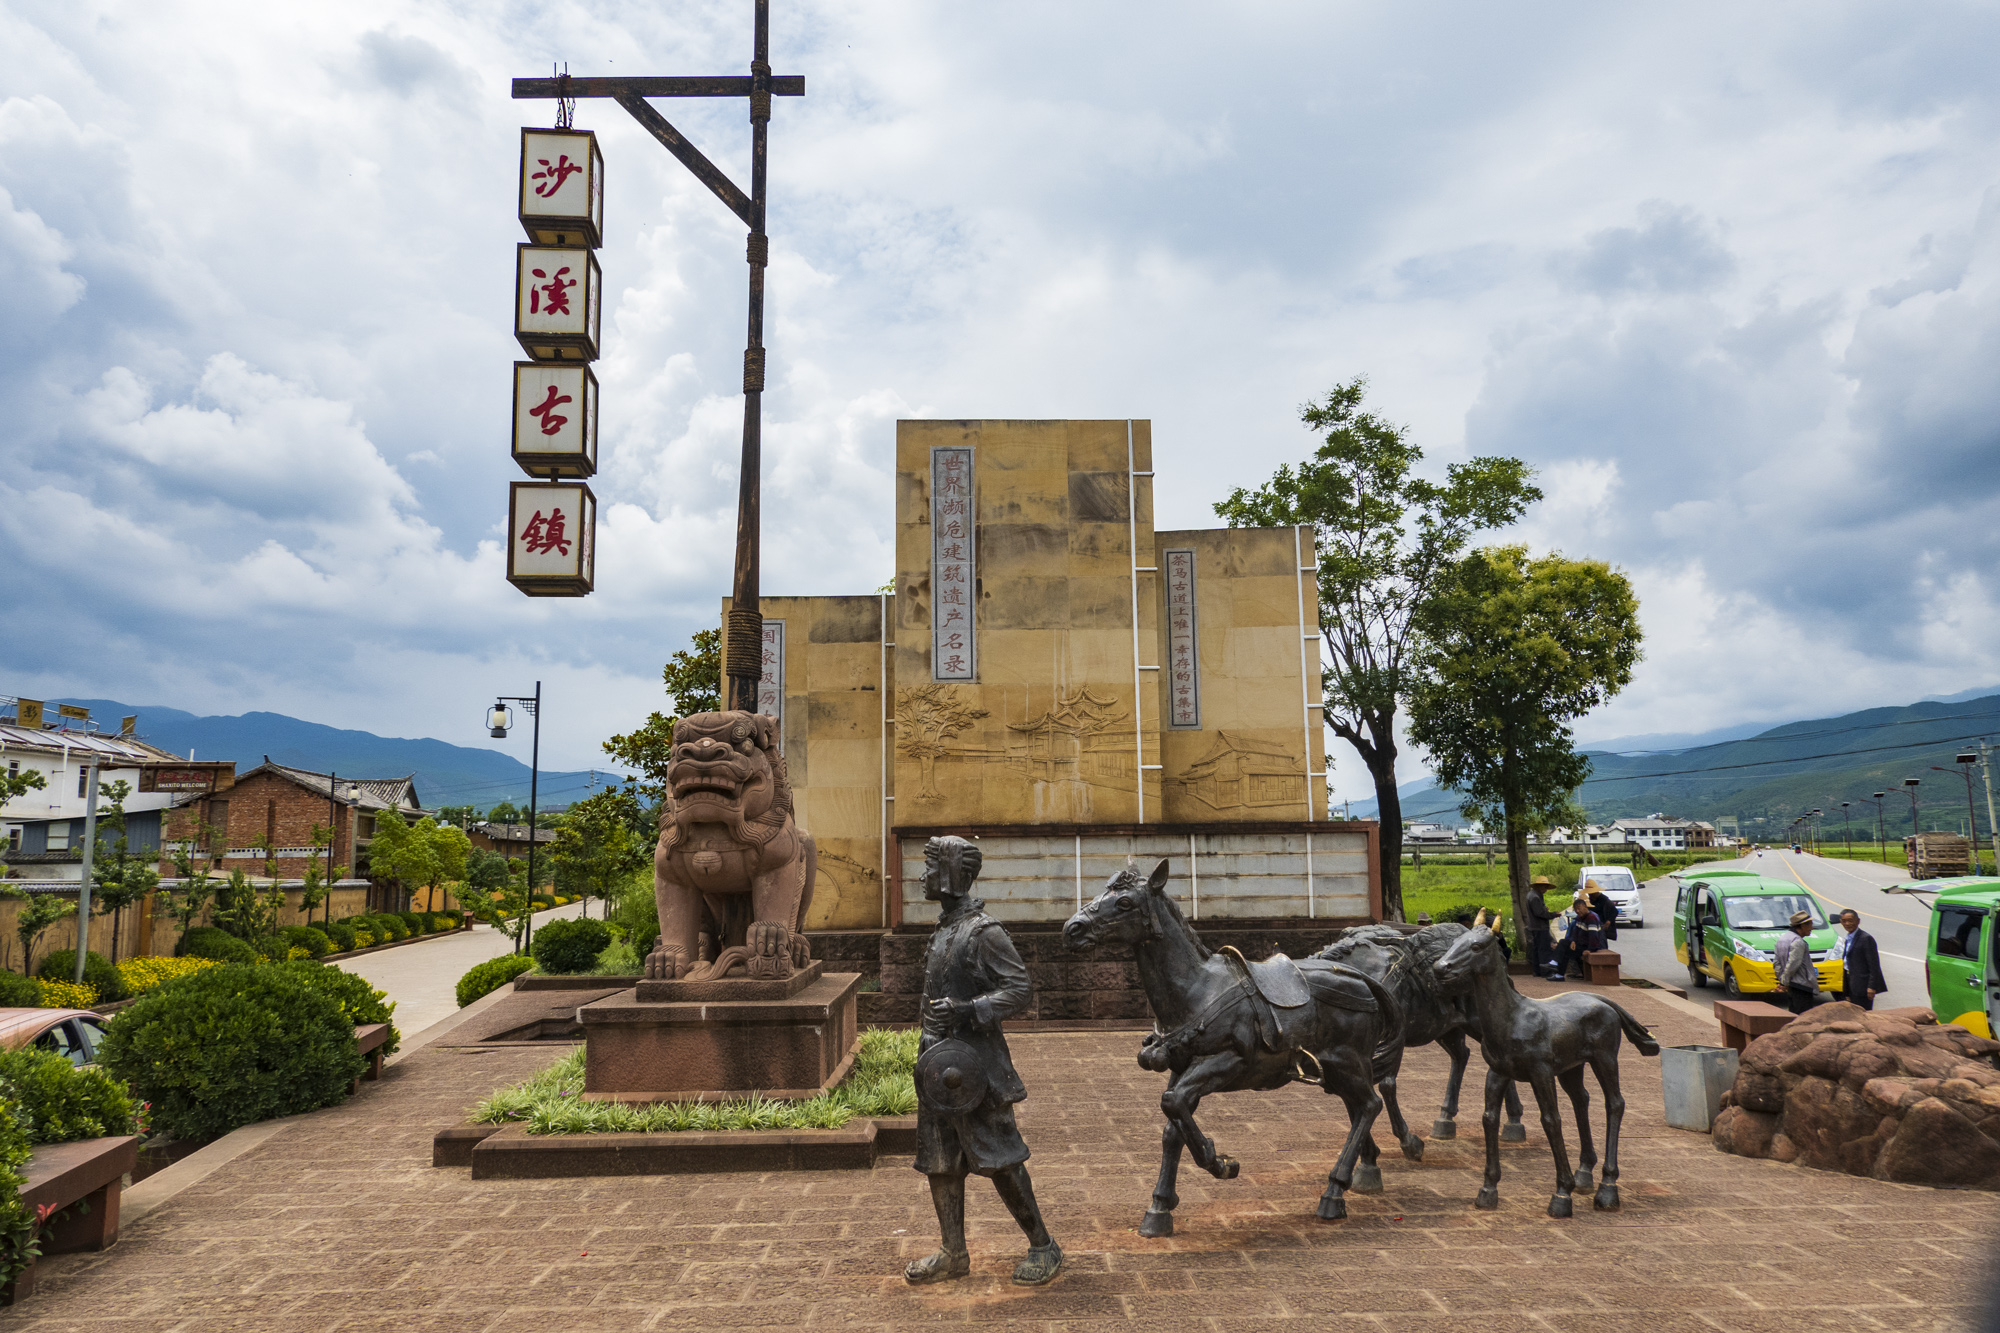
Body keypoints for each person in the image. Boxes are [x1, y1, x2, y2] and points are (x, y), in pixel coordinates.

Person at [904, 835, 1062, 1287]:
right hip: (939, 1069)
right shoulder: (944, 928)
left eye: (930, 867)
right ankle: (953, 1253)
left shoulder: (984, 932)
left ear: (951, 874)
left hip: (978, 1071)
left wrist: (969, 1009)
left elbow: (1019, 989)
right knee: (940, 1161)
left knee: (1001, 1158)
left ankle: (1043, 1245)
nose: (922, 876)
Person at [1835, 909, 1887, 1011]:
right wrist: (1846, 990)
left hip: (1863, 987)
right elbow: (1847, 965)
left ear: (1858, 921)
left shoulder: (1865, 938)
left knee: (1863, 1013)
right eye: (1844, 921)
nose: (1847, 924)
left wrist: (1871, 987)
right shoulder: (1847, 939)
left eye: (1850, 920)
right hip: (1851, 985)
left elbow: (1874, 965)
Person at [1774, 908, 1822, 1014]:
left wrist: (1782, 980)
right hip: (1801, 986)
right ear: (1802, 925)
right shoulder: (1798, 942)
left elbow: (1776, 963)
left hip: (1791, 985)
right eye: (1810, 925)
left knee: (1792, 1014)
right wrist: (1784, 982)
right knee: (1802, 1017)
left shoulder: (1782, 939)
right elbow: (1793, 964)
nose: (1812, 928)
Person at [1548, 896, 1605, 981]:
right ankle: (1559, 974)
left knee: (1563, 945)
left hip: (1591, 946)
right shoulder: (1579, 917)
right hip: (1581, 944)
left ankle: (1555, 964)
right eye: (1575, 910)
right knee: (1564, 946)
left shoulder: (1591, 918)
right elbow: (1576, 932)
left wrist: (1590, 949)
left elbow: (1594, 936)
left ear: (1585, 907)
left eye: (1579, 908)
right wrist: (1573, 941)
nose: (1577, 911)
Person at [1525, 877, 1559, 977]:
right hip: (1539, 927)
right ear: (1539, 886)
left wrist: (1544, 909)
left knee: (1536, 949)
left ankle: (1537, 971)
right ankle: (1545, 971)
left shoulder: (1532, 895)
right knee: (1544, 949)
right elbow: (1539, 913)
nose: (1546, 889)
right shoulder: (1535, 897)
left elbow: (1538, 910)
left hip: (1534, 926)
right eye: (1545, 886)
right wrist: (1553, 914)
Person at [1583, 878, 1619, 943]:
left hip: (1601, 926)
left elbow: (1614, 911)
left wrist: (1608, 922)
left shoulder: (1604, 900)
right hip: (1592, 925)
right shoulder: (1590, 900)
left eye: (1591, 893)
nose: (1590, 895)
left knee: (1601, 942)